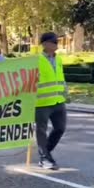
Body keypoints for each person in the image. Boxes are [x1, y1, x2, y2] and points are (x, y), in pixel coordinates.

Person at [35, 32, 67, 170]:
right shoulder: (36, 60)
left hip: (59, 101)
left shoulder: (58, 59)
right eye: (54, 41)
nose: (56, 44)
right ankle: (45, 158)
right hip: (42, 103)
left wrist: (65, 90)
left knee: (60, 128)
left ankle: (45, 152)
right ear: (45, 44)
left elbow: (60, 77)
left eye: (57, 41)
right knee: (41, 131)